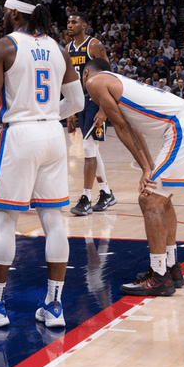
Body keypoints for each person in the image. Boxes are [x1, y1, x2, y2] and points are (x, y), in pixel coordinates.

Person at [0, 0, 84, 330]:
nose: (2, 14)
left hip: (21, 134)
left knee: (4, 221)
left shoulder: (3, 46)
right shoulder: (58, 48)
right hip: (54, 135)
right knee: (53, 219)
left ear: (15, 14)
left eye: (5, 10)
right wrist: (53, 114)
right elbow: (78, 101)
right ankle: (54, 306)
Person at [81, 57, 184, 296]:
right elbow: (133, 129)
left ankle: (159, 275)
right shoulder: (116, 84)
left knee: (149, 198)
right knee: (162, 199)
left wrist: (145, 169)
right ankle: (171, 268)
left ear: (86, 74)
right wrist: (149, 165)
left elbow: (121, 127)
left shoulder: (94, 81)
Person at [64, 11, 116, 216]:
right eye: (68, 21)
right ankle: (106, 193)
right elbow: (69, 82)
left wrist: (105, 108)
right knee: (92, 148)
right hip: (78, 102)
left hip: (95, 100)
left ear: (84, 26)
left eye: (74, 22)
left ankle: (86, 197)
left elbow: (109, 75)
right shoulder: (68, 48)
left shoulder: (93, 45)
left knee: (87, 147)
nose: (69, 25)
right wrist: (70, 112)